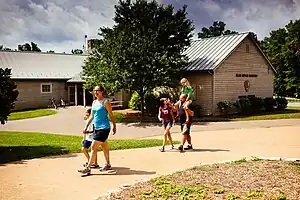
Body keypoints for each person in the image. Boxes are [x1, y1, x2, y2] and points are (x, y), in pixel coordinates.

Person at [78, 85, 116, 175]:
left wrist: (114, 125)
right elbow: (92, 116)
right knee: (104, 146)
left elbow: (111, 115)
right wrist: (86, 126)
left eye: (97, 90)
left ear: (102, 91)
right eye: (94, 91)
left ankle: (88, 168)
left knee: (93, 147)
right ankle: (108, 164)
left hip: (104, 128)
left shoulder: (105, 102)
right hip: (97, 127)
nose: (95, 92)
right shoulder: (94, 102)